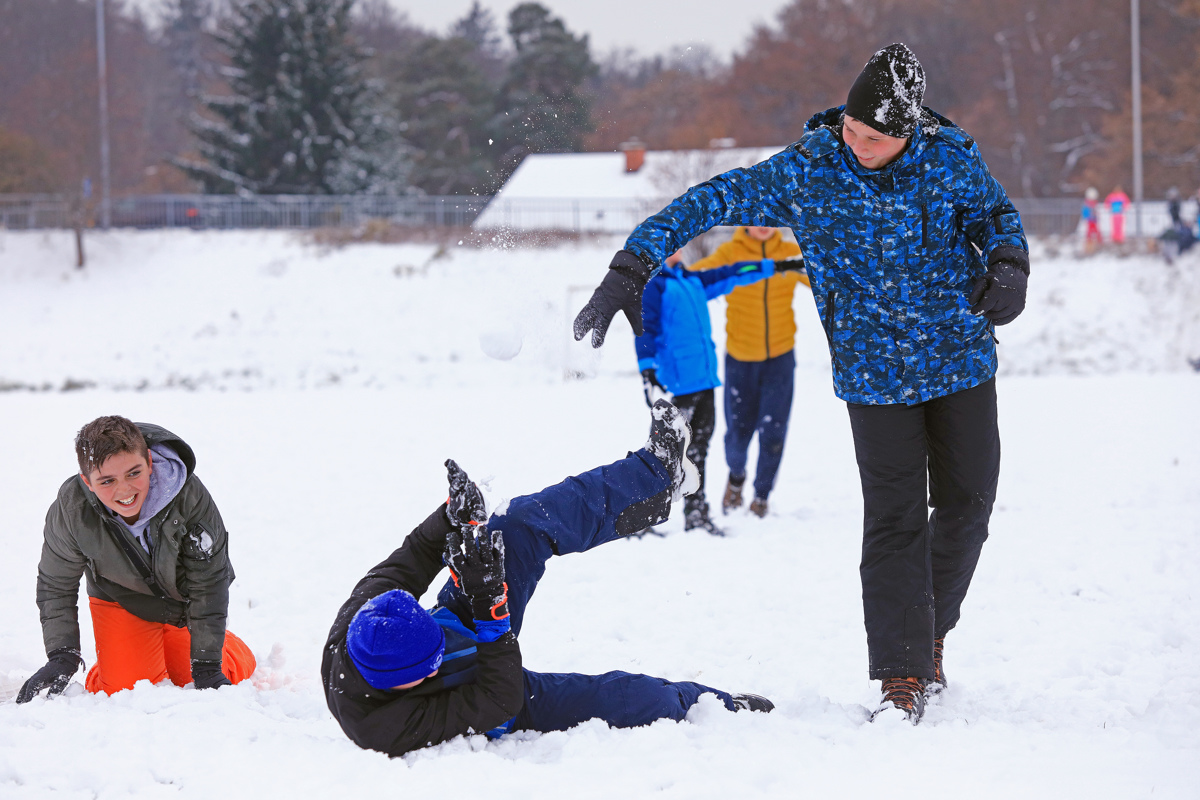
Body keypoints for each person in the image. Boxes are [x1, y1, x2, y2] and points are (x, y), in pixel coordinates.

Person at [573, 44, 1030, 724]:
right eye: (849, 128)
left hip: (960, 359)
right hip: (874, 377)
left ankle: (929, 629)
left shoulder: (951, 159)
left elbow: (996, 216)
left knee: (968, 507)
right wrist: (633, 263)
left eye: (872, 137)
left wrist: (1008, 262)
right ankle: (903, 673)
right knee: (895, 519)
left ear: (907, 133)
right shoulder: (811, 170)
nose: (855, 143)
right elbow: (711, 200)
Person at [321, 400, 773, 758]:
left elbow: (411, 558)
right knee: (634, 701)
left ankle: (654, 479)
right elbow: (500, 697)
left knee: (515, 525)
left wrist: (448, 518)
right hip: (493, 686)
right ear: (399, 683)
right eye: (430, 665)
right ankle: (715, 704)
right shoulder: (383, 729)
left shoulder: (362, 622)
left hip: (457, 621)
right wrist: (490, 608)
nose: (437, 660)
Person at [17, 416, 256, 702]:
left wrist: (207, 664)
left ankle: (231, 647)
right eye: (107, 481)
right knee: (123, 689)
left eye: (134, 473)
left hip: (184, 602)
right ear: (87, 482)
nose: (125, 490)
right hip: (120, 597)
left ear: (150, 463)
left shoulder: (188, 495)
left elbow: (208, 581)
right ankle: (120, 659)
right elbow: (56, 583)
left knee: (195, 676)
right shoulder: (72, 509)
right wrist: (62, 655)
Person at [636, 249, 805, 533]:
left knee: (698, 450)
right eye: (668, 244)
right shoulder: (656, 285)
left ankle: (696, 513)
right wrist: (646, 367)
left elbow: (732, 274)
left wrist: (774, 266)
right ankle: (641, 516)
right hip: (677, 386)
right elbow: (644, 328)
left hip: (704, 380)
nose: (676, 248)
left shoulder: (691, 281)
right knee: (667, 451)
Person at [687, 227, 810, 518]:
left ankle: (761, 497)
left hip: (780, 359)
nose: (762, 224)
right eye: (755, 218)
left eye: (768, 217)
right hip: (741, 361)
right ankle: (737, 477)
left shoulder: (789, 253)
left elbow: (827, 279)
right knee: (738, 437)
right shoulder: (731, 253)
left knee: (774, 433)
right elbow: (692, 283)